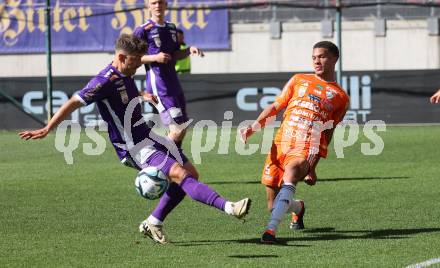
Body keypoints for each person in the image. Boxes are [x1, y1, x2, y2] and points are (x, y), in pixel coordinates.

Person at [19, 34, 251, 245]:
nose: (140, 64)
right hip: (134, 147)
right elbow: (73, 101)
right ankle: (230, 208)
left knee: (191, 174)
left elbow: (124, 91)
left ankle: (154, 222)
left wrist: (141, 95)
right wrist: (48, 128)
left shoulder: (125, 72)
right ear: (121, 57)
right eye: (136, 60)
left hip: (148, 135)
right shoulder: (102, 81)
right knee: (180, 175)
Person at [240, 41, 349, 244]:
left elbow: (328, 132)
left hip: (306, 147)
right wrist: (253, 126)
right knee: (273, 205)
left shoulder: (341, 97)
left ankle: (270, 231)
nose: (317, 61)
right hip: (280, 144)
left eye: (322, 56)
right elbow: (276, 106)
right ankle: (298, 208)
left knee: (291, 175)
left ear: (335, 58)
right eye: (314, 57)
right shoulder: (299, 80)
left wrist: (313, 167)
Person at [133, 0, 203, 152]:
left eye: (161, 2)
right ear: (148, 6)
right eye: (154, 3)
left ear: (166, 5)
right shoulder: (142, 30)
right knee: (177, 129)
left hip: (174, 85)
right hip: (159, 86)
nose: (157, 6)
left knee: (182, 128)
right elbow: (131, 58)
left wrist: (189, 50)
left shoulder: (171, 28)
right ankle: (155, 158)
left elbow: (175, 55)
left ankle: (174, 161)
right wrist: (154, 58)